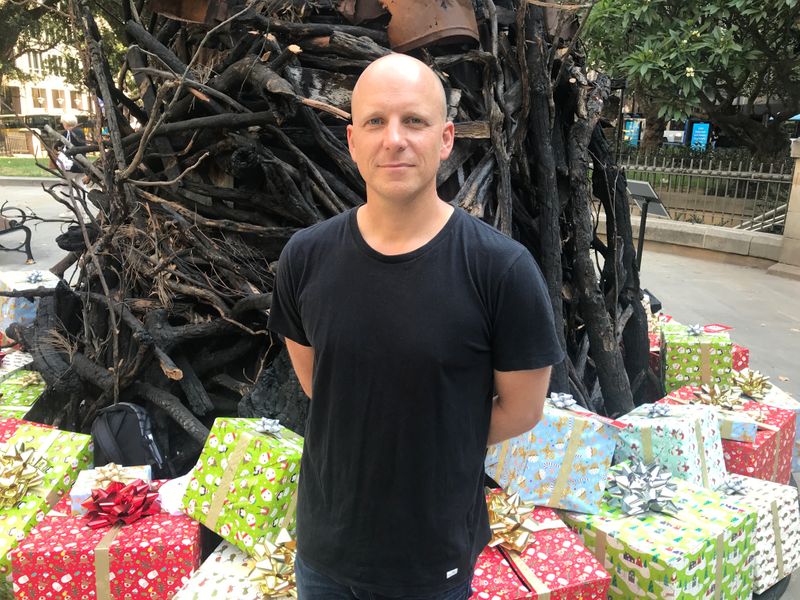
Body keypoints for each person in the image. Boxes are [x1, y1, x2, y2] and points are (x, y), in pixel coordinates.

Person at [268, 53, 564, 600]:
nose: (394, 140)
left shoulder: (501, 270)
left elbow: (523, 409)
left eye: (415, 121)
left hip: (431, 558)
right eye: (376, 122)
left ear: (447, 139)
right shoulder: (304, 258)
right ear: (352, 140)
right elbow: (320, 384)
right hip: (324, 551)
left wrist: (436, 437)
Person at [57, 113, 88, 219]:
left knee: (65, 186)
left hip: (69, 165)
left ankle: (70, 210)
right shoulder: (80, 132)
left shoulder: (66, 133)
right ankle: (83, 211)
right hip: (81, 163)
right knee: (81, 186)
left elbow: (58, 146)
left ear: (65, 123)